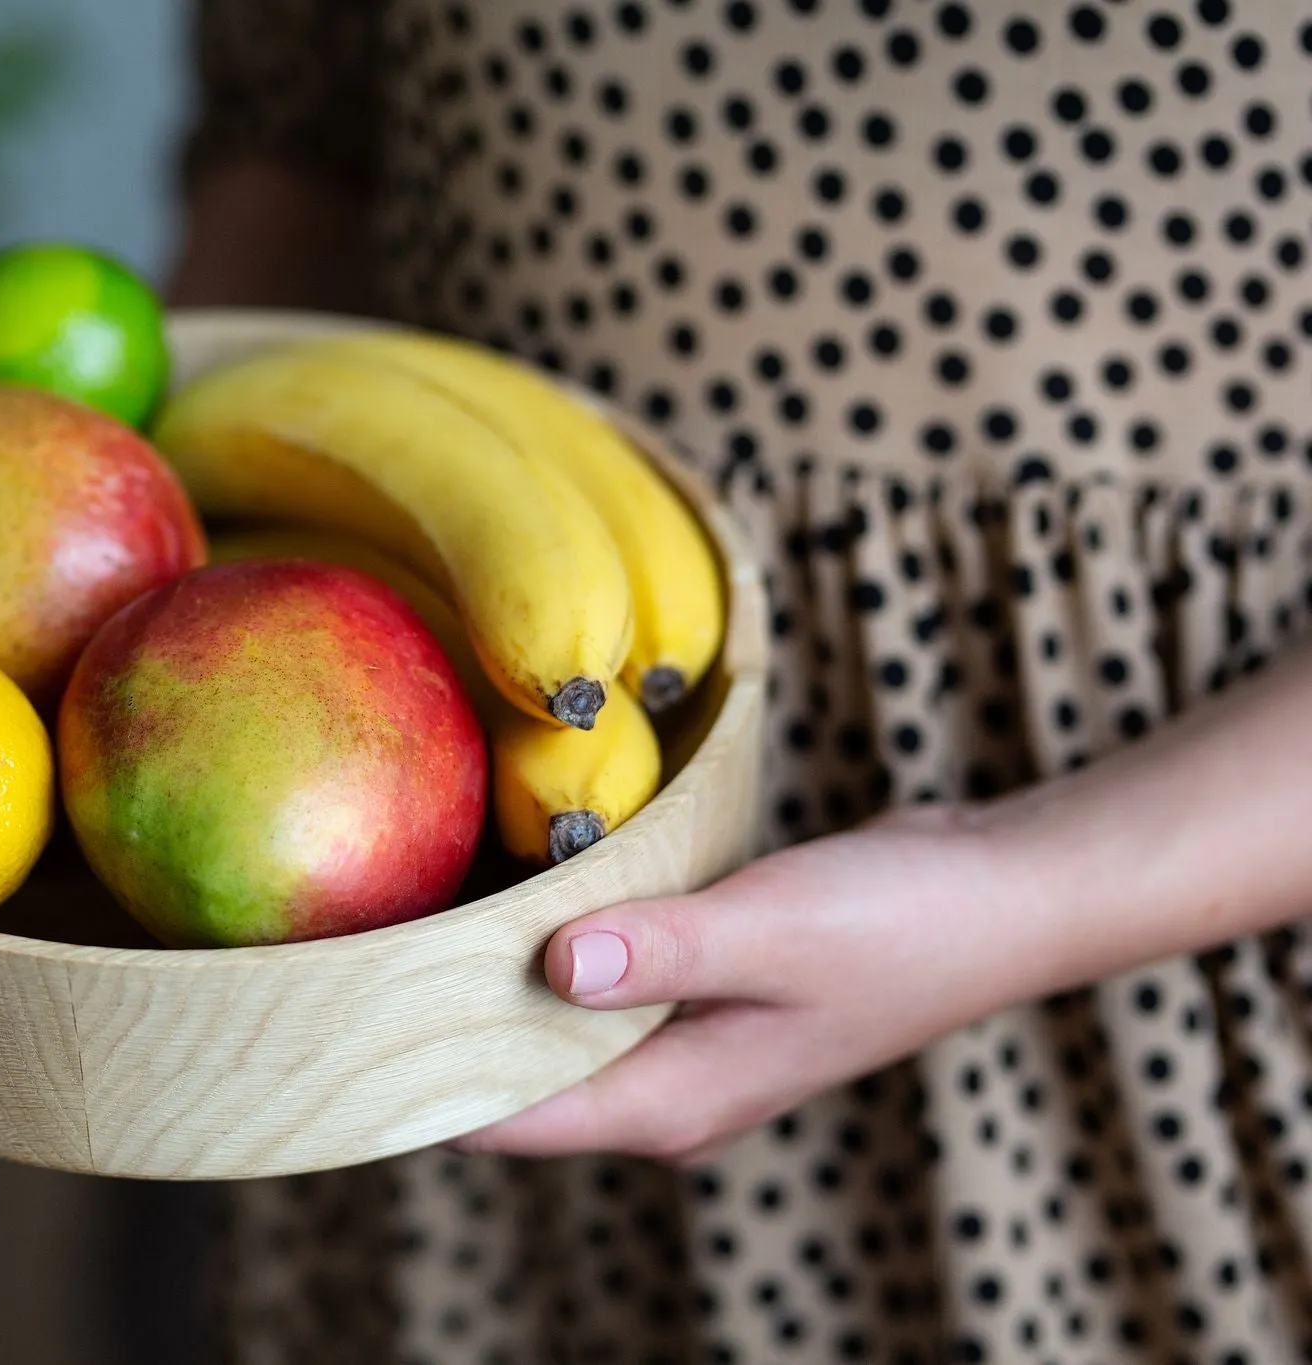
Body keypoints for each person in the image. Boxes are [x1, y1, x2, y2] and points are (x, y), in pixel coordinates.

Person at [167, 2, 1312, 1360]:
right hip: (461, 914)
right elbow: (301, 143)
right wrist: (138, 581)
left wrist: (1029, 886)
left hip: (1174, 907)